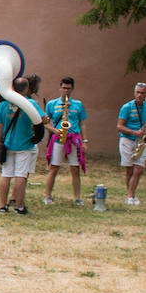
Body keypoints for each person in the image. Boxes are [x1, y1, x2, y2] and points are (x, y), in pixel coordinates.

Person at [0, 76, 44, 214]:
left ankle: (3, 206)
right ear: (27, 89)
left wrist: (1, 141)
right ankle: (19, 206)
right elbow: (41, 120)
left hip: (8, 144)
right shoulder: (31, 103)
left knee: (6, 175)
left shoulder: (3, 104)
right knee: (21, 175)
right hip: (24, 144)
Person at [43, 76, 88, 206]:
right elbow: (44, 123)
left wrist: (85, 140)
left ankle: (77, 198)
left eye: (68, 88)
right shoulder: (52, 104)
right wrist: (54, 130)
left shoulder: (78, 105)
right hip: (58, 139)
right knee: (54, 168)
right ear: (60, 88)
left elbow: (83, 123)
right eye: (64, 88)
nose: (66, 91)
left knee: (75, 168)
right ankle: (47, 196)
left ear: (72, 89)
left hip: (74, 138)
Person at [116, 81, 146, 205]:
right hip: (127, 140)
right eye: (138, 92)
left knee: (138, 169)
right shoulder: (127, 107)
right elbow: (119, 126)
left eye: (142, 93)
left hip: (141, 142)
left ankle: (130, 195)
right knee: (129, 170)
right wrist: (134, 132)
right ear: (134, 93)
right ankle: (131, 197)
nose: (139, 95)